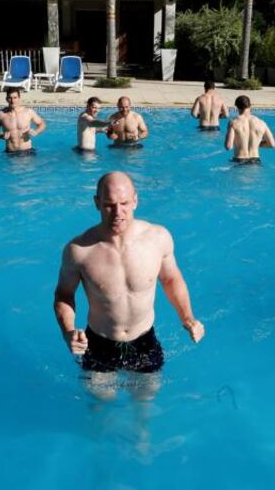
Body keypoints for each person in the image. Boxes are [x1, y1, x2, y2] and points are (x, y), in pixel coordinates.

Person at [54, 171, 204, 399]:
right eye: (109, 205)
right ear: (96, 203)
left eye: (124, 204)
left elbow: (171, 279)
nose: (118, 213)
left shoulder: (158, 238)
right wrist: (68, 331)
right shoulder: (79, 250)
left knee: (145, 401)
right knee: (101, 404)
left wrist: (188, 317)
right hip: (99, 343)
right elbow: (64, 294)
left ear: (135, 200)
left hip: (144, 339)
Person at [0, 88, 47, 155]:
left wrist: (36, 131)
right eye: (10, 98)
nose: (12, 101)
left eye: (15, 98)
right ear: (6, 99)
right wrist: (1, 135)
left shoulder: (28, 112)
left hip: (27, 151)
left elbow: (42, 124)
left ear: (19, 98)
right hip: (10, 153)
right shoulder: (1, 114)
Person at [226, 95, 275, 164]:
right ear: (250, 106)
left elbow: (228, 146)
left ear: (237, 107)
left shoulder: (233, 123)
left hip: (239, 160)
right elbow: (272, 144)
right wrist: (257, 144)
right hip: (255, 161)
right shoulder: (261, 123)